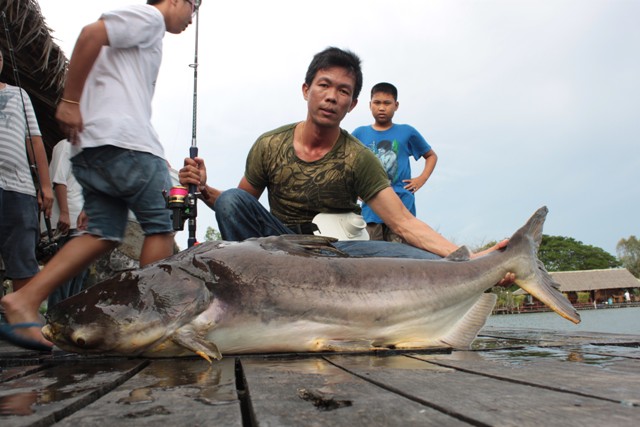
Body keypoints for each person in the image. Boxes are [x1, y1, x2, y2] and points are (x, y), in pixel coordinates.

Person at [179, 47, 509, 261]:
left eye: (343, 91)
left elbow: (403, 222)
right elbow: (240, 205)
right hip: (276, 250)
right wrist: (204, 188)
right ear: (306, 90)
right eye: (324, 85)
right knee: (231, 199)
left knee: (422, 260)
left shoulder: (358, 156)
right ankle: (255, 295)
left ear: (351, 105)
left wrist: (467, 257)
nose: (332, 97)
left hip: (339, 252)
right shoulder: (269, 144)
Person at [0, 0, 199, 351]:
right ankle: (146, 324)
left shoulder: (141, 36)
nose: (191, 18)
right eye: (193, 6)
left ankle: (24, 299)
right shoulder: (150, 17)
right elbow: (92, 34)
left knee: (102, 233)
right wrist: (71, 101)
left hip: (94, 148)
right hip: (129, 146)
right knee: (161, 225)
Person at [352, 82, 438, 243]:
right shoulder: (360, 133)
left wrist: (421, 179)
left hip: (402, 204)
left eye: (387, 103)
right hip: (372, 207)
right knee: (373, 256)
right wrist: (355, 190)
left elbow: (431, 156)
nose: (382, 108)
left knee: (401, 253)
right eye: (377, 103)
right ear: (370, 105)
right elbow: (346, 164)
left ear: (396, 105)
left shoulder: (407, 132)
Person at [0, 48, 54, 293]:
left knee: (23, 261)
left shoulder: (18, 94)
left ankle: (25, 324)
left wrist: (45, 186)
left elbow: (34, 140)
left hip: (19, 190)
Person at [44, 139, 88, 309]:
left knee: (77, 281)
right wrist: (64, 212)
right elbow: (59, 181)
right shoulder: (65, 146)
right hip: (66, 224)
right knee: (62, 278)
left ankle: (66, 322)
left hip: (82, 226)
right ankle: (53, 322)